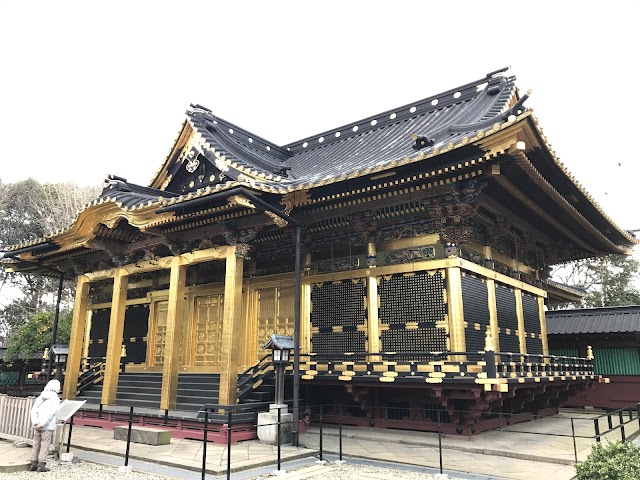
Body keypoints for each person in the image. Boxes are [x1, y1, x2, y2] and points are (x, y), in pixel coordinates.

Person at [29, 379, 61, 472]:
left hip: (37, 424)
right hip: (46, 426)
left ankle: (33, 463)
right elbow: (51, 414)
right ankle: (41, 464)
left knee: (36, 444)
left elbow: (33, 411)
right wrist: (42, 424)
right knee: (45, 444)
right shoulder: (55, 399)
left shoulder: (40, 397)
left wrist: (35, 422)